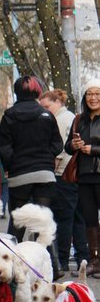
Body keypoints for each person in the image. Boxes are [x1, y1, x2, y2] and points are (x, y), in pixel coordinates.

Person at [0, 74, 62, 277]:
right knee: (44, 221)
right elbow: (57, 145)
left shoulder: (9, 116)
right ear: (37, 92)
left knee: (18, 221)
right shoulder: (46, 115)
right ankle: (54, 266)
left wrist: (11, 165)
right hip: (45, 174)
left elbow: (3, 147)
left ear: (16, 92)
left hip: (19, 175)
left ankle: (9, 264)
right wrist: (46, 158)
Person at [39, 88, 90, 275]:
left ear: (57, 102)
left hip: (63, 174)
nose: (45, 110)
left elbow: (59, 150)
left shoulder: (60, 119)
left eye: (47, 106)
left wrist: (52, 169)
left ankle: (62, 259)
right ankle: (83, 256)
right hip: (75, 174)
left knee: (64, 218)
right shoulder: (71, 117)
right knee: (77, 218)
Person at [64, 79, 100, 278]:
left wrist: (93, 149)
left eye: (97, 94)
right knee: (90, 220)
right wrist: (74, 145)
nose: (93, 98)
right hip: (84, 176)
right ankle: (95, 261)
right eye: (89, 94)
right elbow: (67, 146)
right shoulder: (79, 119)